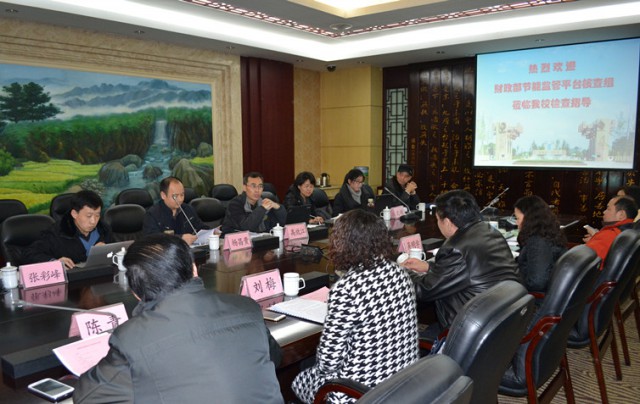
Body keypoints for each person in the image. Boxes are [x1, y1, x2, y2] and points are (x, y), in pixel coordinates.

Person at [74, 234, 283, 403]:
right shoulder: (246, 307)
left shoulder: (131, 339)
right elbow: (274, 357)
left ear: (136, 293)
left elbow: (87, 396)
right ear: (194, 269)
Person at [292, 210, 418, 404]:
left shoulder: (347, 289)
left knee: (299, 378)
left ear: (343, 244)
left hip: (360, 391)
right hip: (403, 379)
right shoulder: (399, 273)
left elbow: (327, 363)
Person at [402, 189, 520, 335]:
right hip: (501, 321)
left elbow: (424, 290)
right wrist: (429, 266)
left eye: (437, 219)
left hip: (468, 332)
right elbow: (468, 269)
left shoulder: (455, 248)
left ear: (447, 222)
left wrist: (399, 272)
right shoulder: (489, 231)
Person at [28, 190, 112, 269]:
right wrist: (55, 262)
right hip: (71, 277)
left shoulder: (103, 229)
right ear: (74, 214)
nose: (93, 221)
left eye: (97, 215)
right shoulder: (56, 232)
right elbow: (30, 254)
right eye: (88, 216)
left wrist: (106, 251)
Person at [513, 195, 567, 294]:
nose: (516, 223)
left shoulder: (537, 241)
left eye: (518, 218)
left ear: (529, 218)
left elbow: (537, 283)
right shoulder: (549, 232)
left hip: (536, 297)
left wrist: (513, 278)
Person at [143, 176, 208, 245]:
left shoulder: (187, 209)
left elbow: (201, 228)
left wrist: (211, 232)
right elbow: (152, 240)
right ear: (163, 195)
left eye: (182, 195)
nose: (180, 199)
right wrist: (180, 239)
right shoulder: (152, 214)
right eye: (175, 196)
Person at [220, 171, 287, 234]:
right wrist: (262, 209)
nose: (257, 190)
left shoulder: (264, 201)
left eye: (260, 186)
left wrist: (278, 208)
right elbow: (246, 227)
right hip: (237, 239)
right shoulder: (235, 205)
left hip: (262, 238)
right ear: (244, 187)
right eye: (253, 186)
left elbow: (281, 223)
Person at [583, 195, 637, 264]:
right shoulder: (631, 230)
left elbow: (582, 261)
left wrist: (597, 237)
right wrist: (595, 236)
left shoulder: (609, 235)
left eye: (608, 209)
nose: (604, 212)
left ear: (621, 215)